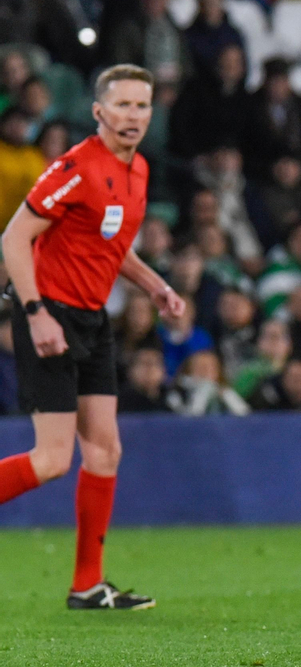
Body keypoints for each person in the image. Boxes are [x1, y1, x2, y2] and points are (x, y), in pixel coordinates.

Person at [0, 65, 183, 610]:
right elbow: (13, 238)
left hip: (91, 319)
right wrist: (35, 313)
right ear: (99, 111)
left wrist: (155, 286)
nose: (133, 115)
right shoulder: (76, 168)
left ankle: (87, 585)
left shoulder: (138, 169)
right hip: (50, 314)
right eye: (122, 105)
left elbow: (111, 244)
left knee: (104, 450)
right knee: (53, 459)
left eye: (142, 105)